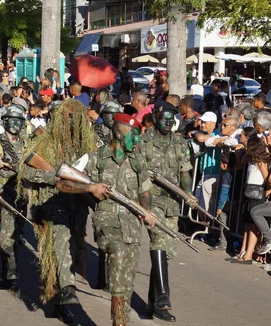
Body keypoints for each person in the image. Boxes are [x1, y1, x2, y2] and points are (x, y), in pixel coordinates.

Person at [20, 99, 95, 324]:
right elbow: (25, 171)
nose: (70, 122)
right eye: (67, 117)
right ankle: (68, 292)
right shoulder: (44, 143)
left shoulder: (87, 147)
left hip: (78, 208)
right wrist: (52, 178)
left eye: (75, 118)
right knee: (59, 248)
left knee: (74, 251)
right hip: (52, 206)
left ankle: (57, 299)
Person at [78, 114, 155, 326]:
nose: (137, 140)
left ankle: (119, 321)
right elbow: (63, 180)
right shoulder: (95, 157)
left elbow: (145, 191)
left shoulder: (137, 161)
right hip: (106, 218)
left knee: (127, 281)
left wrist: (145, 210)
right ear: (119, 135)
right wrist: (89, 187)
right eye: (133, 135)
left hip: (131, 224)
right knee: (118, 252)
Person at [140, 102, 196, 322]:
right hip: (150, 200)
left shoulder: (179, 143)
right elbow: (137, 171)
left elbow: (184, 173)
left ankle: (153, 302)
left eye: (171, 118)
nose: (168, 122)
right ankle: (164, 296)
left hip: (172, 203)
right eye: (164, 117)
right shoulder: (143, 142)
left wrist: (188, 194)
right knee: (159, 243)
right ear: (155, 117)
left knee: (166, 253)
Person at [0, 104, 32, 292]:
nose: (14, 124)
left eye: (18, 121)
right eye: (11, 120)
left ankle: (10, 265)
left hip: (20, 192)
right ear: (4, 121)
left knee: (17, 228)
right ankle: (9, 271)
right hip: (0, 190)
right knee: (8, 227)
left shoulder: (27, 144)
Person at [232, 136, 269, 264]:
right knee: (247, 224)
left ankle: (248, 254)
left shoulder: (260, 162)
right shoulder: (251, 160)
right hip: (249, 191)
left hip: (257, 193)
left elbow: (267, 179)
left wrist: (268, 190)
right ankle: (243, 251)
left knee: (253, 225)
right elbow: (241, 166)